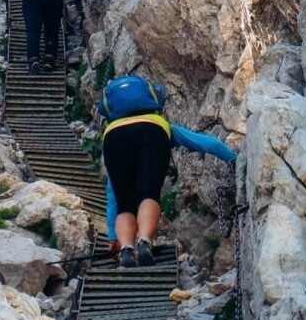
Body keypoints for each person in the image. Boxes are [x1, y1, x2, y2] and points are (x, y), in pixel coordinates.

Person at [100, 75, 238, 268]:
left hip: (113, 138)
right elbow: (207, 143)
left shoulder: (111, 128)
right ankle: (144, 242)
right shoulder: (159, 122)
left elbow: (111, 191)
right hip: (152, 132)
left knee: (124, 204)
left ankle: (126, 249)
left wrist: (112, 235)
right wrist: (234, 158)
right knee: (148, 194)